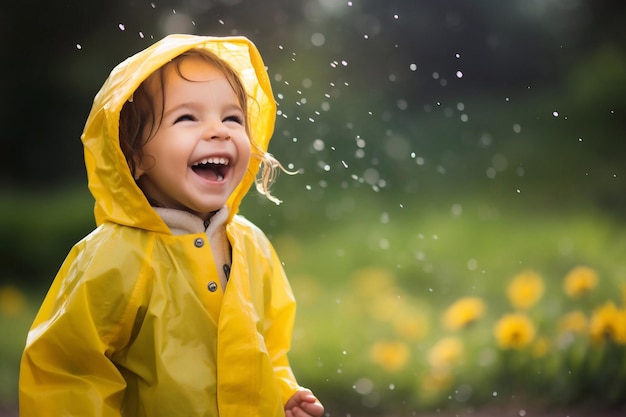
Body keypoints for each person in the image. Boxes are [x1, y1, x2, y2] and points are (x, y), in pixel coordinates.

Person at [19, 34, 324, 417]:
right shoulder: (115, 255)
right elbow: (70, 374)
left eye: (233, 117)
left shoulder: (252, 245)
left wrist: (281, 393)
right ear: (134, 154)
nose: (219, 131)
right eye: (187, 118)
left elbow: (268, 346)